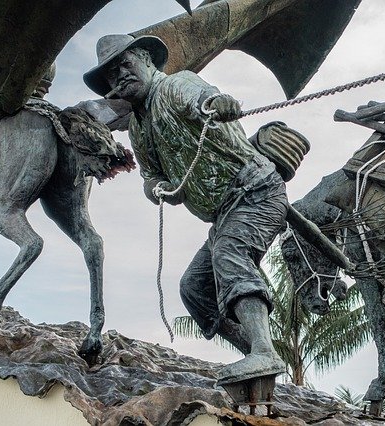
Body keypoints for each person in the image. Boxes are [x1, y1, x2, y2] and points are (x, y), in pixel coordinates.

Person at [83, 34, 286, 384]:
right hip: (223, 215)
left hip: (256, 192)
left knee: (229, 254)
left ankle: (264, 352)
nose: (119, 78)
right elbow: (151, 177)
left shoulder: (177, 85)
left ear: (146, 59)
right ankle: (255, 352)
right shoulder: (137, 127)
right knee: (193, 288)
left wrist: (217, 103)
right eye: (111, 76)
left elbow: (203, 97)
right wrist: (157, 188)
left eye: (124, 65)